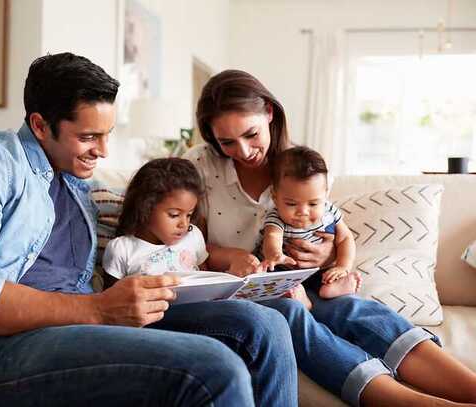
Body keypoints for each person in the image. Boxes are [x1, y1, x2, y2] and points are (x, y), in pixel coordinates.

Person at [0, 53, 299, 407]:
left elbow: (158, 220)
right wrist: (97, 309)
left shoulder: (81, 187)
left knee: (262, 325)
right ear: (41, 125)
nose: (104, 151)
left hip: (83, 326)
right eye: (89, 136)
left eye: (108, 134)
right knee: (213, 369)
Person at [185, 69, 476, 407]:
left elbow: (329, 233)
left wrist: (323, 257)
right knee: (289, 314)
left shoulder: (303, 167)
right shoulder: (199, 166)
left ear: (269, 112)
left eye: (251, 134)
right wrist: (230, 256)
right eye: (227, 142)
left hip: (301, 278)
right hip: (239, 287)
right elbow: (188, 242)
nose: (245, 150)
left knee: (353, 308)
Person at [256, 145, 362, 308]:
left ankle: (335, 286)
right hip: (285, 270)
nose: (303, 212)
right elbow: (272, 236)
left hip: (318, 269)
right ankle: (301, 299)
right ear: (275, 197)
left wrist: (343, 266)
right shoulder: (276, 217)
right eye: (291, 204)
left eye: (313, 203)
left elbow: (346, 238)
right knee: (272, 279)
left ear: (325, 195)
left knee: (329, 275)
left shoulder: (329, 212)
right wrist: (275, 255)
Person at [102, 157, 208, 278]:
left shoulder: (193, 236)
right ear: (145, 208)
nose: (184, 224)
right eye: (174, 215)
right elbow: (112, 295)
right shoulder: (122, 249)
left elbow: (205, 278)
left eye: (189, 215)